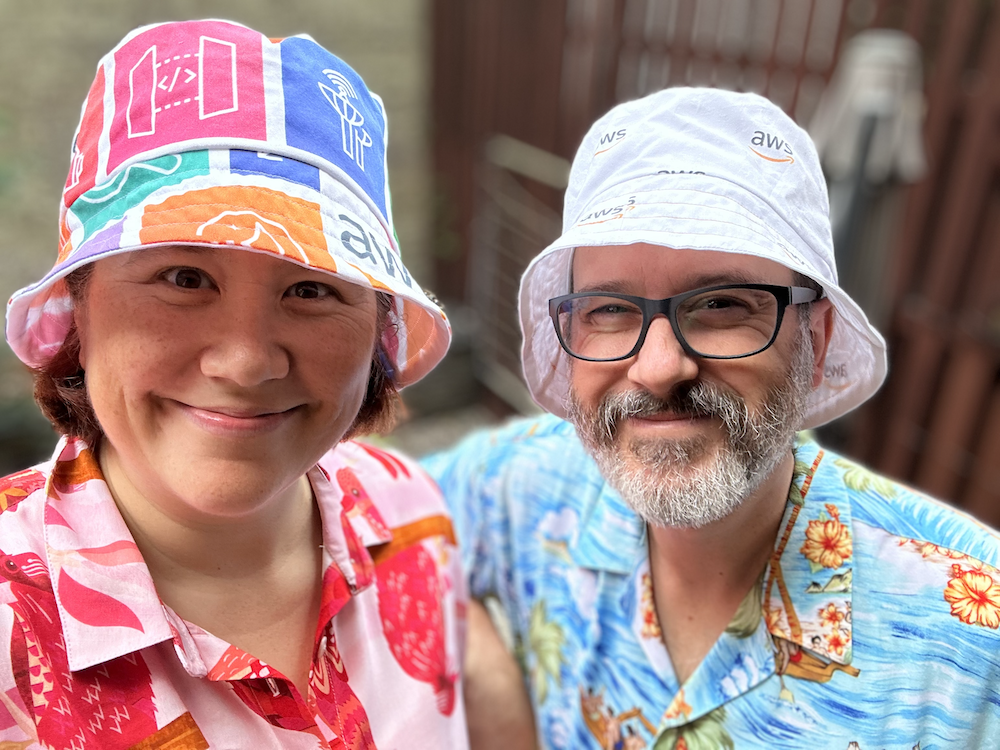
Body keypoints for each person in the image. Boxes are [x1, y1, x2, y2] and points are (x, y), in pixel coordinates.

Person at [423, 87, 1000, 749]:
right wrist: (487, 680)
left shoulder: (972, 640)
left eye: (723, 304)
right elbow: (361, 518)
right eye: (608, 310)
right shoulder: (526, 484)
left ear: (815, 340)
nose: (659, 367)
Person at [1, 19, 467, 748]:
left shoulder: (410, 517)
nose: (247, 362)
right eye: (184, 278)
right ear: (78, 311)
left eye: (312, 290)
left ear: (377, 330)